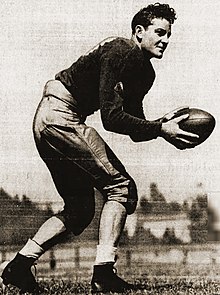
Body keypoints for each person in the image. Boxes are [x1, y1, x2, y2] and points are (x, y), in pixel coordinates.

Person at [1, 3, 199, 293]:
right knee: (121, 187)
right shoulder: (122, 50)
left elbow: (133, 128)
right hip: (60, 116)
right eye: (159, 32)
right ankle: (103, 274)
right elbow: (111, 118)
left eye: (169, 35)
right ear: (139, 31)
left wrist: (162, 126)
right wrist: (160, 129)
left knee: (80, 210)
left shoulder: (145, 73)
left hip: (50, 118)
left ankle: (19, 266)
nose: (165, 40)